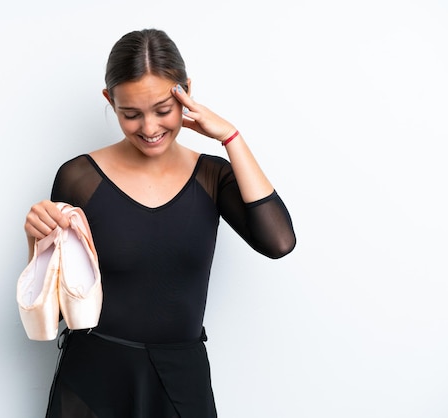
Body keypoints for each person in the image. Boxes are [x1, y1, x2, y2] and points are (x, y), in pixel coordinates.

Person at [24, 28, 296, 418]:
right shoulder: (80, 176)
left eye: (163, 111)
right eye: (130, 114)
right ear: (110, 101)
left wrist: (231, 137)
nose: (149, 129)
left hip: (180, 379)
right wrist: (34, 240)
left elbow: (279, 242)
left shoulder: (212, 177)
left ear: (184, 91)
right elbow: (57, 301)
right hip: (93, 378)